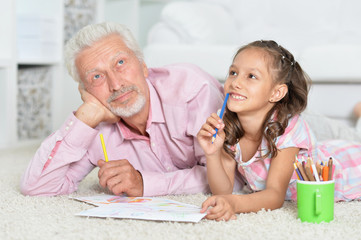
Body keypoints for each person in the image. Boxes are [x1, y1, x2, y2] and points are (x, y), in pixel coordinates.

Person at [20, 22, 225, 197]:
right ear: (85, 91)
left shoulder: (193, 91)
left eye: (120, 63)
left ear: (144, 66)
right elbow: (38, 187)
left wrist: (144, 184)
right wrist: (84, 117)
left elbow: (230, 179)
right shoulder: (96, 126)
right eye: (96, 77)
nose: (116, 84)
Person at [197, 40, 361, 221]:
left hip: (350, 168)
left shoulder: (286, 128)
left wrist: (235, 204)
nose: (235, 82)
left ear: (276, 93)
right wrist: (212, 154)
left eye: (251, 76)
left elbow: (275, 196)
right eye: (233, 72)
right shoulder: (228, 127)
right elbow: (223, 191)